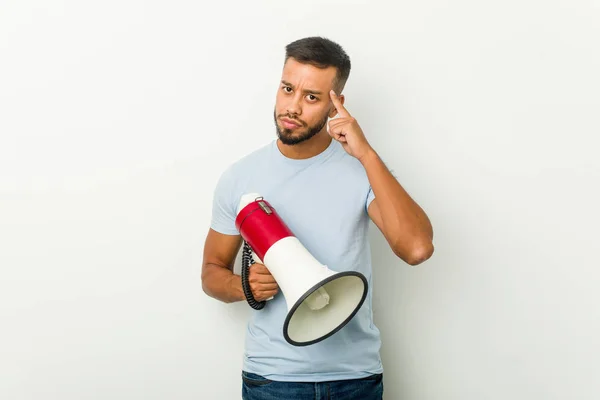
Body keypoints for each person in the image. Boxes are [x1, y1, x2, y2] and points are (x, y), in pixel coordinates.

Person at [201, 36, 434, 400]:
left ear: (335, 104)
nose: (292, 106)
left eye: (311, 97)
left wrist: (366, 154)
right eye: (287, 88)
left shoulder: (362, 171)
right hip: (273, 378)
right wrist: (244, 286)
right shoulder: (239, 177)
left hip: (355, 377)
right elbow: (211, 271)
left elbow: (417, 248)